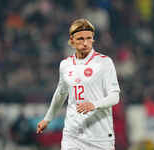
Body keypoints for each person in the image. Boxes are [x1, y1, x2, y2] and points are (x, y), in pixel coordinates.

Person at [37, 18, 120, 150]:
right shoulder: (65, 65)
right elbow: (60, 93)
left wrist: (94, 104)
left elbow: (115, 96)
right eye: (81, 39)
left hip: (99, 136)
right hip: (72, 134)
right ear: (72, 40)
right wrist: (47, 119)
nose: (85, 42)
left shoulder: (104, 63)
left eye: (89, 38)